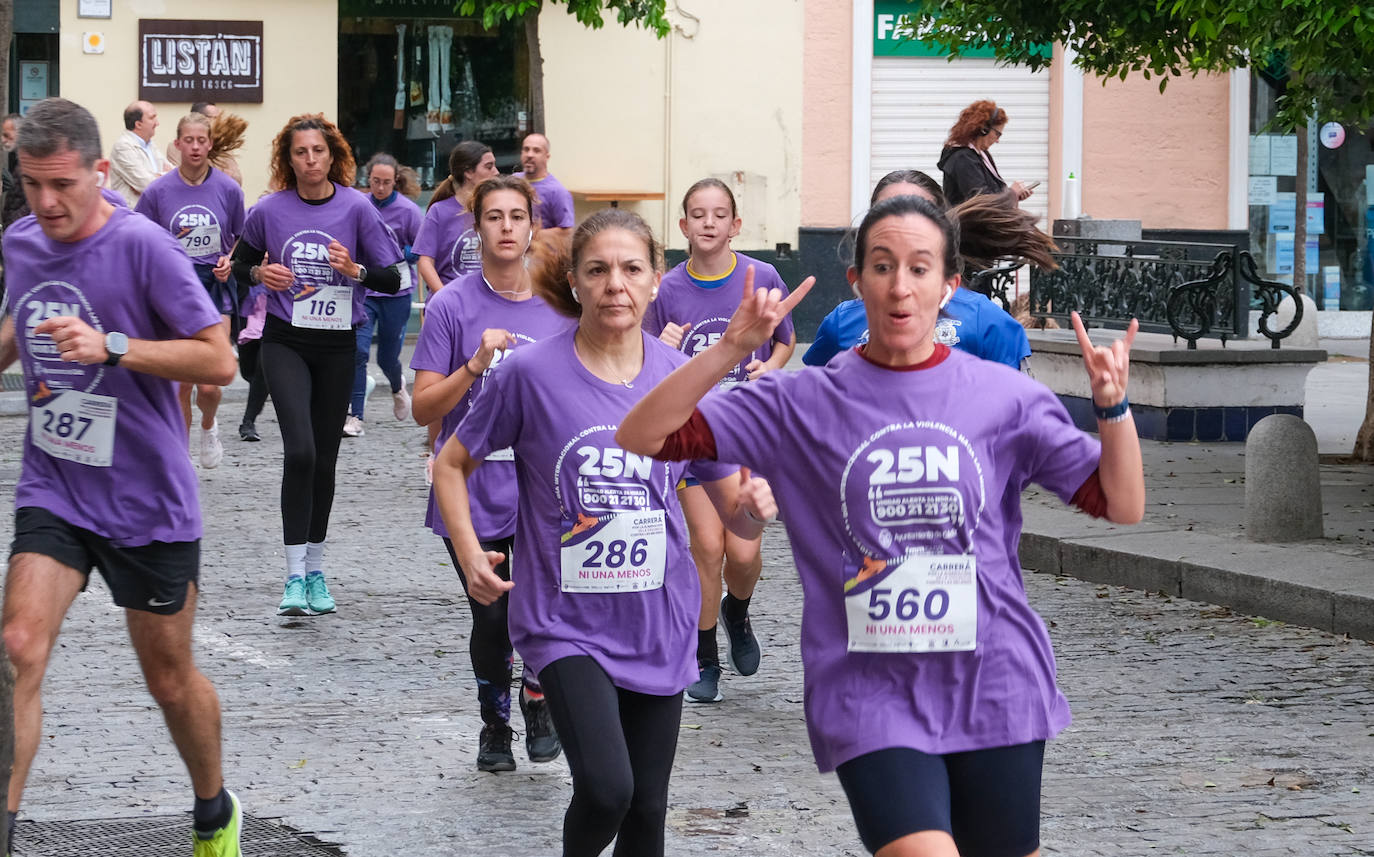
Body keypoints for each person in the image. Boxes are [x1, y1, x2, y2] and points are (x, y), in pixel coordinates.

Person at [618, 193, 1145, 857]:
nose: (900, 286)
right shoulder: (803, 400)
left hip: (995, 678)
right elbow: (642, 432)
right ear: (855, 282)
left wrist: (1112, 406)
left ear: (950, 284)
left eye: (920, 268)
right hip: (870, 690)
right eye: (883, 265)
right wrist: (731, 347)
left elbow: (1120, 502)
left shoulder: (1002, 396)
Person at [434, 208, 774, 856]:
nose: (615, 283)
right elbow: (451, 463)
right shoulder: (528, 375)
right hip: (564, 621)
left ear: (654, 283)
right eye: (598, 269)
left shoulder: (682, 379)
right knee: (607, 789)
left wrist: (757, 507)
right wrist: (471, 549)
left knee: (647, 811)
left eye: (631, 268)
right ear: (576, 282)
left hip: (658, 618)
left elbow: (735, 513)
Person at [0, 97, 242, 857]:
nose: (46, 203)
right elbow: (20, 318)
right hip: (56, 486)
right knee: (18, 645)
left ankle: (213, 809)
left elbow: (218, 357)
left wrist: (111, 346)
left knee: (170, 681)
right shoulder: (22, 240)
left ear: (100, 173)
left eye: (61, 186)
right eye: (32, 185)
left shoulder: (144, 248)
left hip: (147, 501)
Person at [411, 174, 573, 772]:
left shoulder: (560, 304)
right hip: (472, 487)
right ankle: (494, 724)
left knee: (539, 603)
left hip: (542, 490)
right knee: (493, 613)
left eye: (516, 216)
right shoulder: (452, 304)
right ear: (476, 229)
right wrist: (476, 364)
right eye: (493, 217)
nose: (506, 227)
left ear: (533, 225)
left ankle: (537, 696)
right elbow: (425, 406)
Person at [230, 113, 403, 616]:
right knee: (300, 451)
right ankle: (291, 575)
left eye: (318, 152)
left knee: (324, 460)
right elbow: (240, 266)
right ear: (288, 159)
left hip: (336, 347)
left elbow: (393, 277)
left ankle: (315, 571)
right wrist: (262, 272)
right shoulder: (270, 210)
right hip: (285, 342)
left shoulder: (356, 208)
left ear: (333, 157)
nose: (310, 160)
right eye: (301, 152)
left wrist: (357, 270)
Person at [642, 177, 795, 704]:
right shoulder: (666, 290)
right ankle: (702, 655)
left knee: (744, 552)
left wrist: (768, 369)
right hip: (690, 436)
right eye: (697, 214)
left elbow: (785, 340)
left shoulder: (763, 276)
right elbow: (642, 362)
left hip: (747, 434)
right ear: (682, 225)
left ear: (736, 225)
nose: (708, 223)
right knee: (707, 546)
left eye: (718, 214)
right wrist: (659, 347)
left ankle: (737, 610)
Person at [804, 170, 1047, 369]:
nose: (901, 224)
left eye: (918, 210)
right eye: (886, 211)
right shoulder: (840, 323)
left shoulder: (987, 321)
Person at [135, 112, 246, 469]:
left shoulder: (228, 189)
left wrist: (230, 260)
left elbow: (242, 238)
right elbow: (140, 237)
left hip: (215, 287)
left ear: (210, 144)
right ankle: (180, 460)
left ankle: (209, 425)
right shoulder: (158, 192)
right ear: (178, 144)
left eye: (202, 140)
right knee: (182, 383)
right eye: (189, 140)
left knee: (211, 382)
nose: (196, 147)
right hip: (176, 290)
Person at [345, 153, 422, 437]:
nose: (379, 187)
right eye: (375, 181)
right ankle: (356, 416)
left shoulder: (408, 211)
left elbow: (422, 246)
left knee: (387, 357)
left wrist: (397, 252)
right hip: (365, 289)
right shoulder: (360, 204)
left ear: (395, 181)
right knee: (359, 352)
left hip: (396, 291)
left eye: (386, 182)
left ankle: (396, 385)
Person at [414, 140, 497, 300]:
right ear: (468, 172)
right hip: (449, 302)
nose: (496, 172)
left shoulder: (494, 209)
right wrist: (445, 298)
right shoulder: (439, 211)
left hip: (486, 303)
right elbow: (425, 264)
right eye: (489, 166)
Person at [936, 100, 1035, 207]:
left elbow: (992, 194)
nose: (997, 140)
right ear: (984, 129)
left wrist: (1013, 197)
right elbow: (981, 201)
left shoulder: (981, 154)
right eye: (997, 134)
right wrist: (1011, 194)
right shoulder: (962, 158)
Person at [514, 133, 575, 238]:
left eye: (536, 150)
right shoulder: (514, 181)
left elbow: (567, 232)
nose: (530, 155)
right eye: (526, 149)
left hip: (539, 252)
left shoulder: (557, 192)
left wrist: (529, 235)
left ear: (547, 157)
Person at [107, 100, 168, 206]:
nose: (157, 123)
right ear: (138, 124)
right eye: (152, 118)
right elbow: (146, 185)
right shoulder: (123, 147)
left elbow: (175, 173)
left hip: (153, 212)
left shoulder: (150, 145)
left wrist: (158, 176)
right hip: (132, 215)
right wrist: (163, 175)